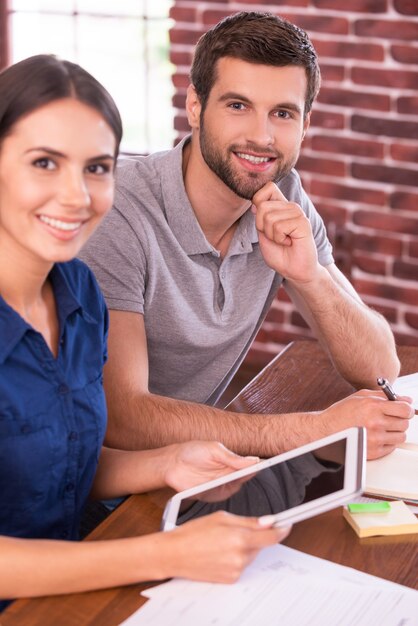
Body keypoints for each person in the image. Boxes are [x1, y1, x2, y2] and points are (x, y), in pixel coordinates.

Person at [0, 54, 290, 610]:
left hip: (64, 594)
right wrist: (166, 554)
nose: (76, 196)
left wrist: (167, 462)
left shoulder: (78, 293)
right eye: (43, 163)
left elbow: (57, 465)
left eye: (97, 167)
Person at [80, 10, 413, 466]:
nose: (261, 136)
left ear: (305, 124)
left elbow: (380, 370)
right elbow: (123, 418)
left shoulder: (283, 192)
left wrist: (311, 276)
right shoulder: (119, 208)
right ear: (195, 107)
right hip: (92, 490)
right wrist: (314, 430)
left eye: (282, 113)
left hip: (201, 468)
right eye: (238, 106)